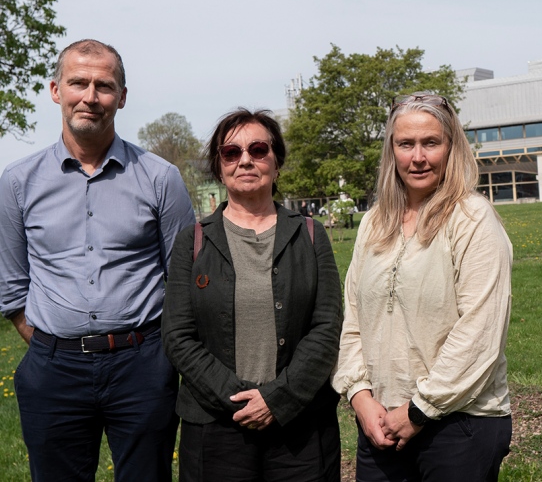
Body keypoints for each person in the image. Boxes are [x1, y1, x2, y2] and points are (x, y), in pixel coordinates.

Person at [0, 39, 196, 481]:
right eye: (78, 83)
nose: (90, 96)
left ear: (122, 97)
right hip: (53, 369)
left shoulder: (160, 178)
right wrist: (56, 345)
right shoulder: (17, 183)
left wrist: (156, 354)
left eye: (104, 86)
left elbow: (185, 278)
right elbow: (11, 285)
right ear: (55, 90)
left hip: (142, 365)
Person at [333, 93, 513, 481]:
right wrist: (360, 396)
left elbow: (480, 332)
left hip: (457, 423)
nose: (418, 157)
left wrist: (420, 409)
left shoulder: (472, 219)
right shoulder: (374, 223)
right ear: (391, 150)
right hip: (380, 423)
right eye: (406, 144)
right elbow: (352, 319)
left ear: (451, 148)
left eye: (431, 143)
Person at [162, 108, 343, 481]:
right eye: (231, 152)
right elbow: (178, 336)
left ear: (276, 164)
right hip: (216, 427)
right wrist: (239, 399)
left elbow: (327, 326)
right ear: (219, 166)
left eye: (258, 150)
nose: (245, 159)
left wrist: (278, 399)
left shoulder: (311, 234)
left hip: (301, 427)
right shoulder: (192, 241)